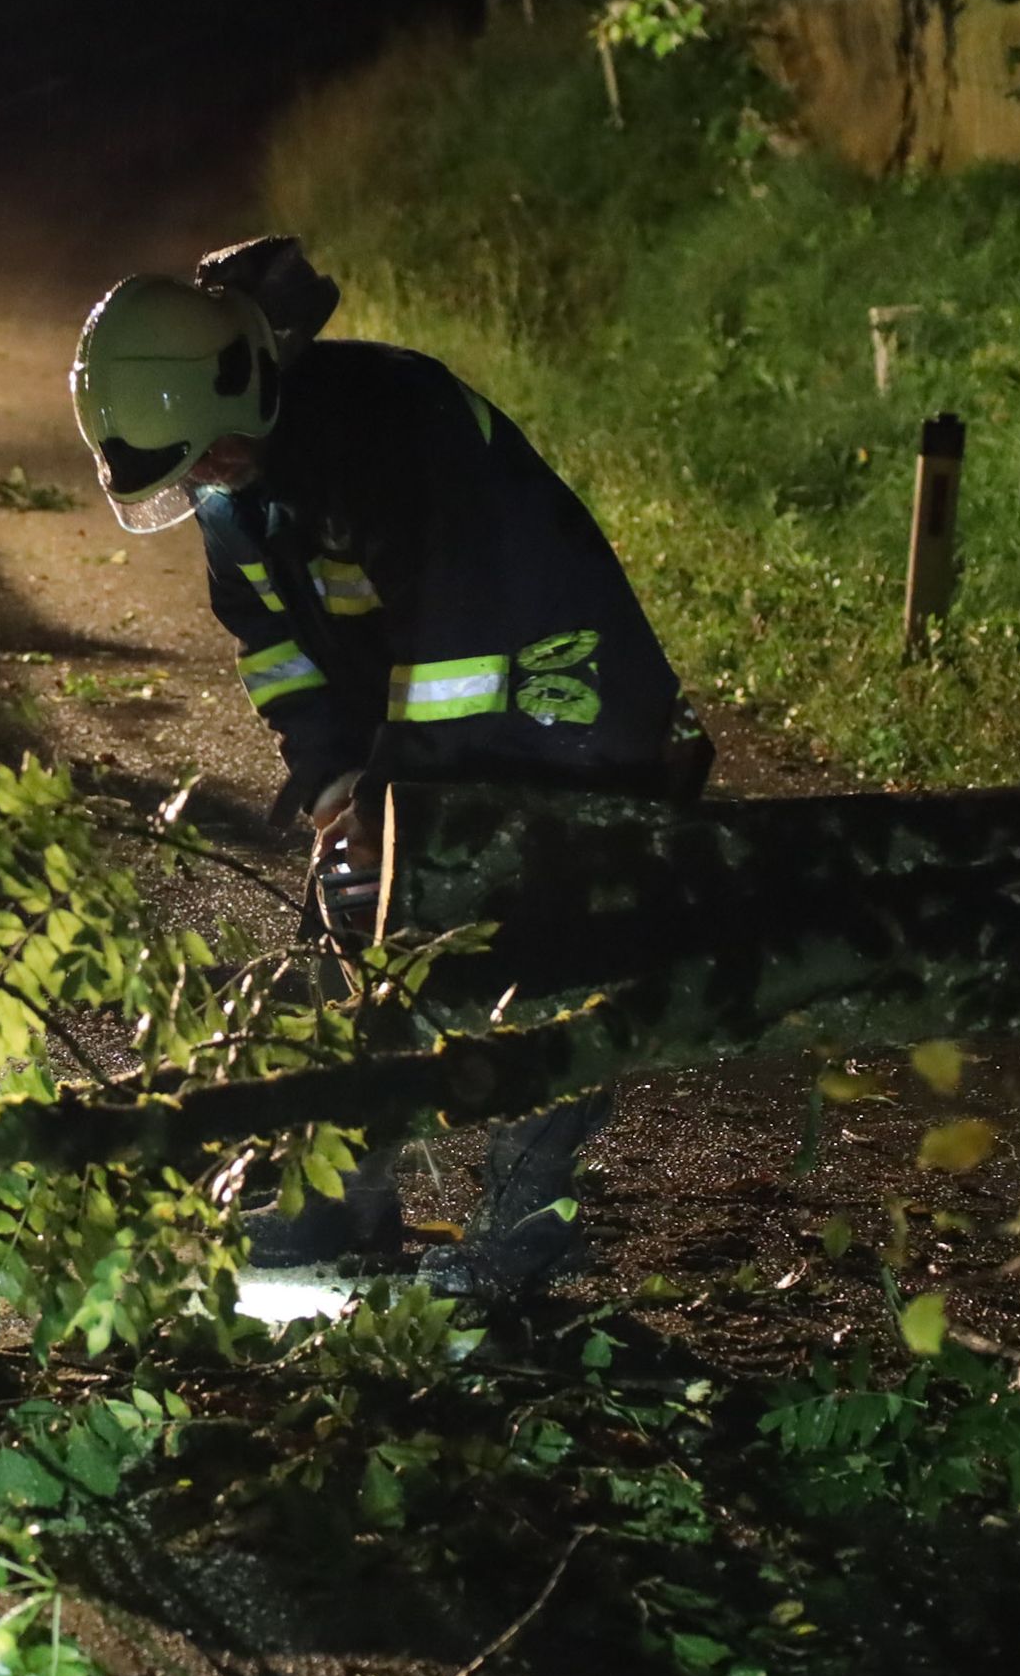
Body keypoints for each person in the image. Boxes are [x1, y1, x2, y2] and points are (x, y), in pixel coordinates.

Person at [70, 250, 706, 1286]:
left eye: (207, 457)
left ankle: (527, 1231)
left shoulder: (386, 428)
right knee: (343, 930)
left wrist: (394, 800)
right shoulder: (233, 487)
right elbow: (276, 652)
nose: (203, 481)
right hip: (431, 733)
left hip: (573, 712)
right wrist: (332, 785)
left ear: (245, 386)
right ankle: (334, 1200)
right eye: (185, 470)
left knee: (548, 955)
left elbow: (460, 644)